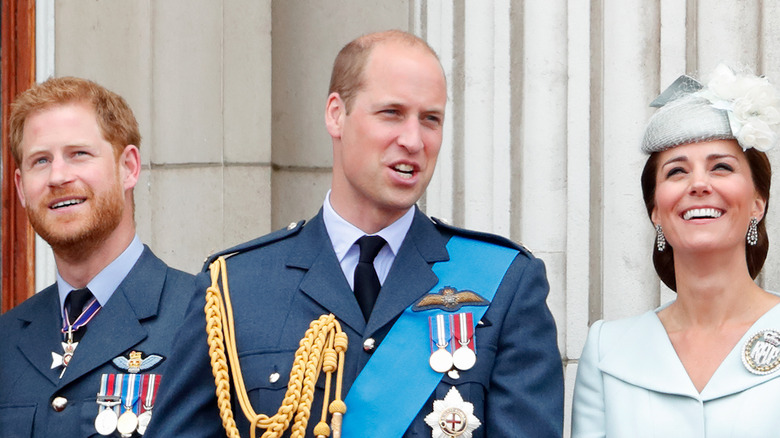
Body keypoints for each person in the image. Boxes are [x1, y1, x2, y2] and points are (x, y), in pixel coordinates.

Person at [146, 30, 563, 438]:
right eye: (392, 113)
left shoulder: (504, 282)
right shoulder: (234, 289)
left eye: (430, 119)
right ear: (335, 114)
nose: (414, 140)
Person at [571, 64, 780, 437]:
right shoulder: (607, 350)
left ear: (758, 203)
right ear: (656, 210)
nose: (698, 184)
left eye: (721, 167)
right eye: (676, 172)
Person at [0, 77, 197, 438]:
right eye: (40, 160)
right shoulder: (5, 341)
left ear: (129, 168)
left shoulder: (202, 319)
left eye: (79, 154)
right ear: (20, 188)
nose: (58, 176)